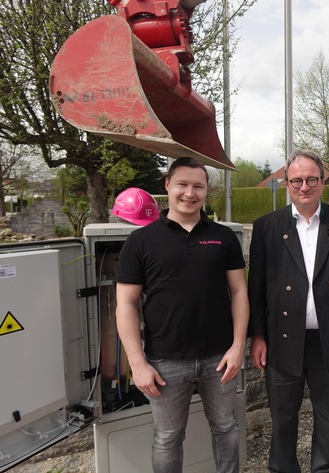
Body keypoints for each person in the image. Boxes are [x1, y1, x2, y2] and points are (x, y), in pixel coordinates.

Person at [115, 157, 249, 473]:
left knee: (226, 427)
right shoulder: (140, 241)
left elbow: (240, 293)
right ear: (168, 186)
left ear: (206, 191)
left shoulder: (224, 236)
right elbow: (125, 305)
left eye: (198, 187)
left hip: (220, 358)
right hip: (164, 361)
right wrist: (137, 364)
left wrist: (237, 347)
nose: (190, 193)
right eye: (183, 185)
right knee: (168, 436)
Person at [247, 149, 329, 472]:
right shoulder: (266, 228)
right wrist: (257, 335)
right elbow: (256, 287)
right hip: (281, 339)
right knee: (282, 415)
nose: (304, 187)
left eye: (311, 179)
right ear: (286, 183)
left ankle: (325, 467)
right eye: (297, 180)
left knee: (328, 414)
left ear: (322, 180)